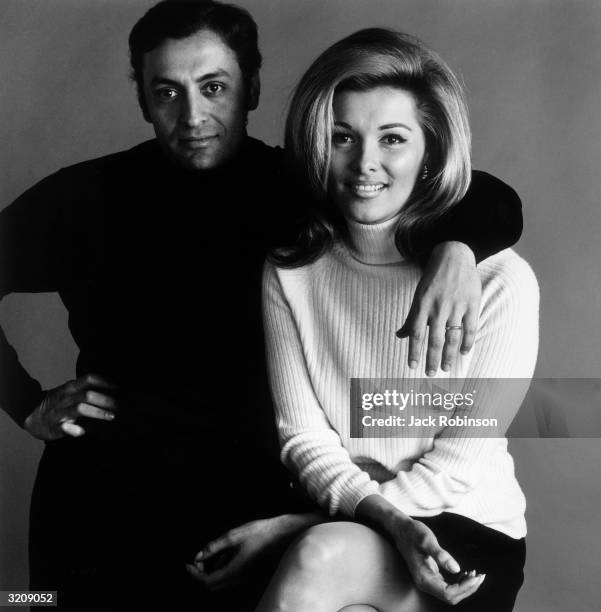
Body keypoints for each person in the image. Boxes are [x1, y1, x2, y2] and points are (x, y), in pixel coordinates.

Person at [0, 1, 522, 609]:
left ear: (251, 88)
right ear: (143, 99)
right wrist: (25, 401)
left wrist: (459, 248)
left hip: (253, 501)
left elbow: (481, 192)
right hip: (102, 498)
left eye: (214, 87)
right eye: (166, 91)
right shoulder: (80, 198)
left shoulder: (302, 189)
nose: (193, 115)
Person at [258, 28, 539, 611]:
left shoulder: (499, 282)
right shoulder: (291, 269)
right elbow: (303, 436)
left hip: (462, 528)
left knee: (319, 557)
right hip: (355, 513)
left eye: (393, 138)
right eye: (342, 138)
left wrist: (299, 526)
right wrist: (365, 514)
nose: (365, 163)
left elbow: (460, 465)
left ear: (429, 149)